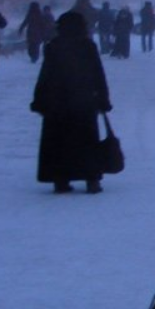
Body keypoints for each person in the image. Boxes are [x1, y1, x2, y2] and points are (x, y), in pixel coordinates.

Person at [31, 11, 112, 194]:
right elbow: (98, 74)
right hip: (83, 102)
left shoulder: (54, 46)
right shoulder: (87, 46)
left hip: (57, 103)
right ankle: (92, 180)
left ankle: (61, 179)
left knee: (59, 143)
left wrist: (39, 99)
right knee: (87, 142)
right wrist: (103, 98)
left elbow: (45, 75)